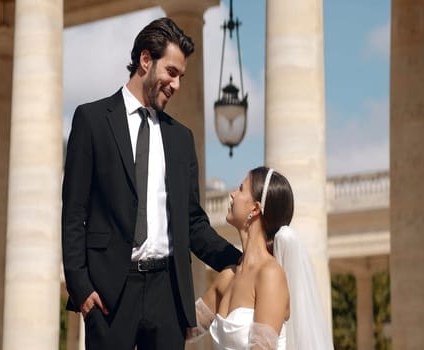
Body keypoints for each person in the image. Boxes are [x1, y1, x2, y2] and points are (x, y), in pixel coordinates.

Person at [61, 17, 241, 349]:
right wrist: (81, 288)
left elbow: (193, 222)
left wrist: (241, 258)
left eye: (181, 77)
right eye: (171, 73)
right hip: (109, 294)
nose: (176, 85)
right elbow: (74, 213)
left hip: (168, 294)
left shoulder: (181, 138)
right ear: (146, 60)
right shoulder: (91, 121)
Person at [188, 166, 334, 349]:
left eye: (240, 189)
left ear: (255, 209)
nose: (232, 194)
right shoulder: (227, 277)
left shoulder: (270, 274)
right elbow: (185, 329)